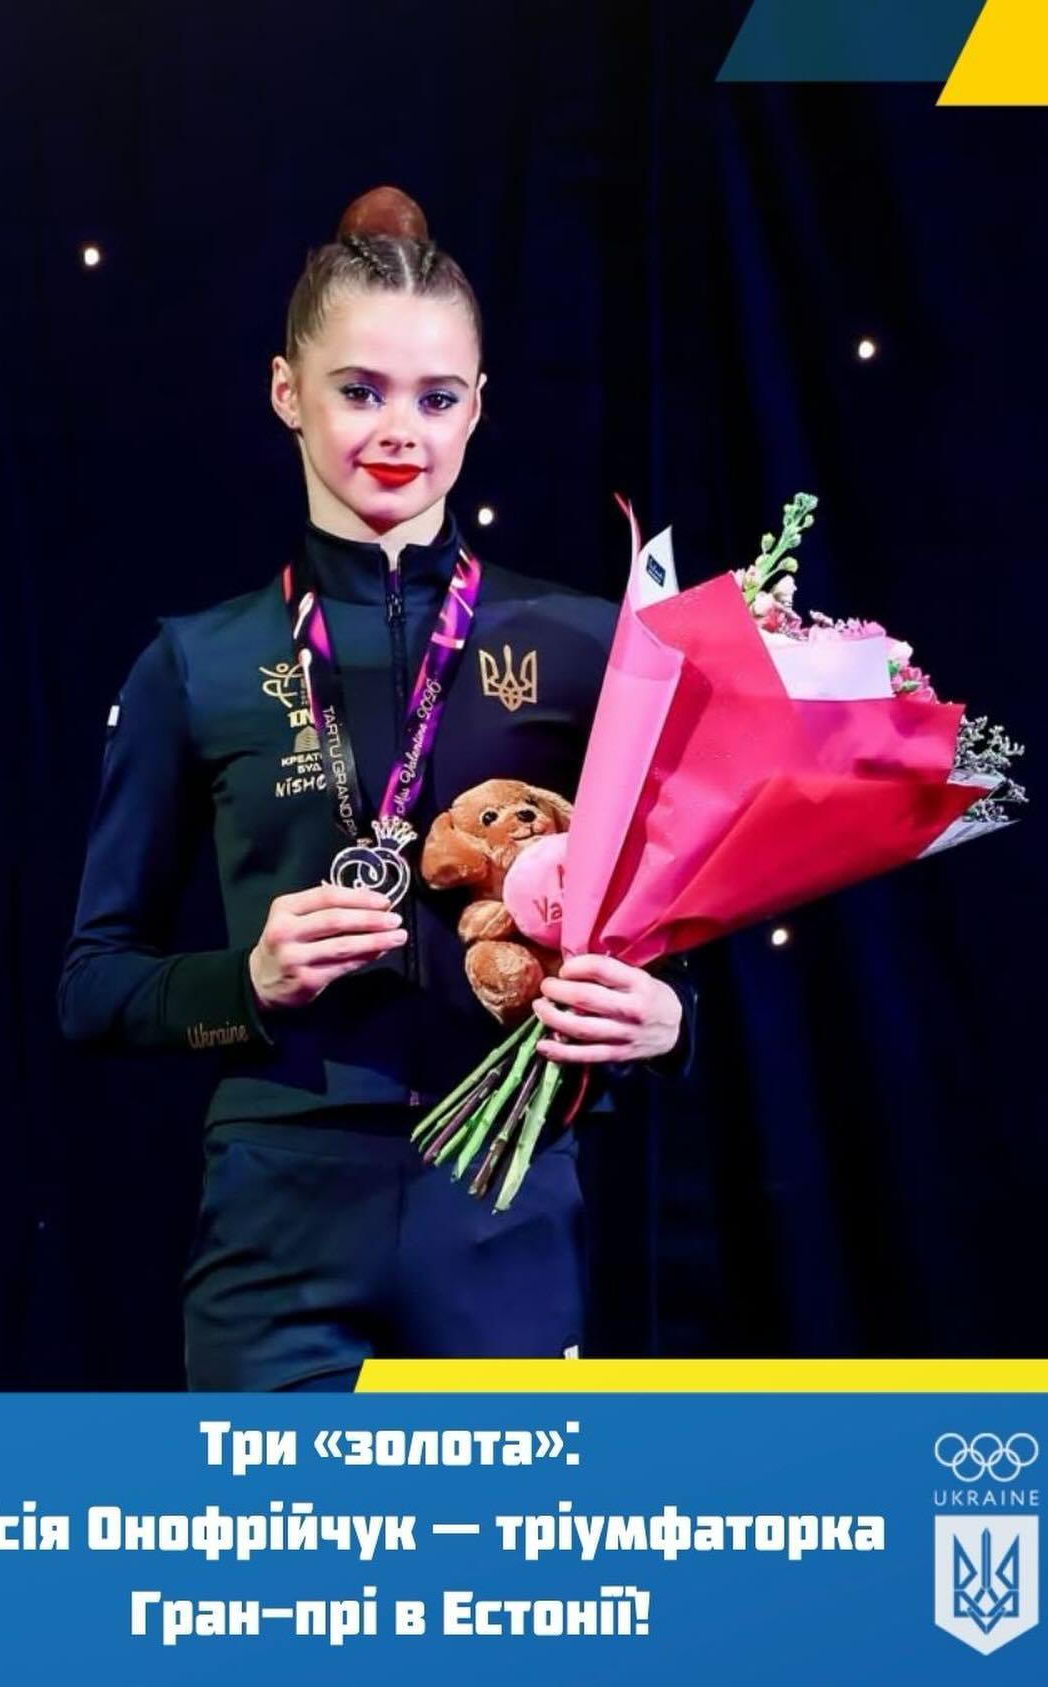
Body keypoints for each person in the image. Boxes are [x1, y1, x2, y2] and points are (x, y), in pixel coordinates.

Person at [58, 185, 696, 1391]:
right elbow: (92, 988)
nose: (400, 430)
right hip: (278, 1219)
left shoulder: (589, 644)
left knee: (506, 1529)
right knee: (263, 1526)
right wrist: (246, 981)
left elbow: (680, 923)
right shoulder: (195, 662)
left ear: (478, 407)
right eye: (360, 390)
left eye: (436, 397)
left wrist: (670, 1024)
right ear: (286, 391)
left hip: (505, 1195)